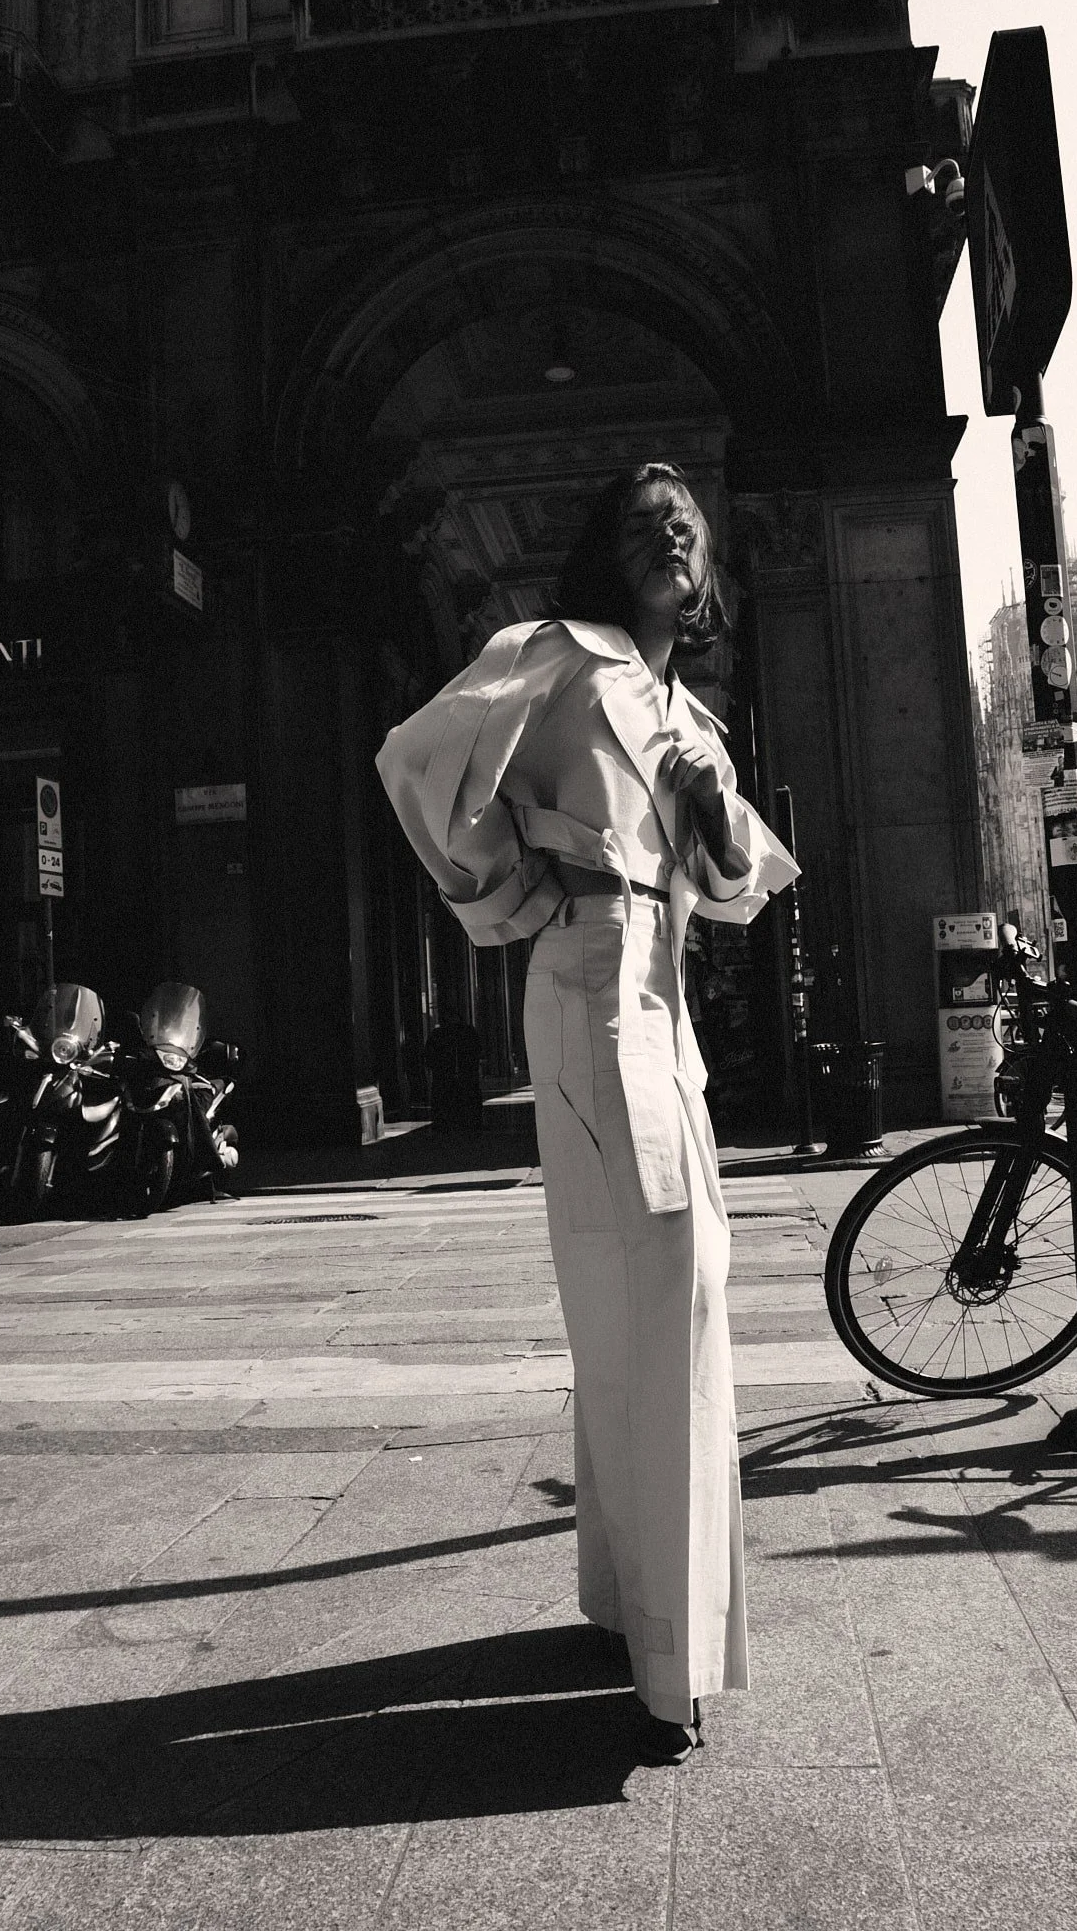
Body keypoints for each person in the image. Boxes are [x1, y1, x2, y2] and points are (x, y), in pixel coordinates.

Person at [376, 463, 798, 1766]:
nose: (668, 537)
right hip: (591, 986)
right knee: (669, 1280)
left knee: (642, 1293)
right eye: (640, 524)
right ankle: (669, 1664)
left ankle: (624, 1599)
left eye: (685, 524)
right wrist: (508, 891)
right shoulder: (552, 655)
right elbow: (415, 759)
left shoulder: (683, 708)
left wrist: (706, 810)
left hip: (660, 1000)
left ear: (706, 562)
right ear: (603, 557)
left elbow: (736, 886)